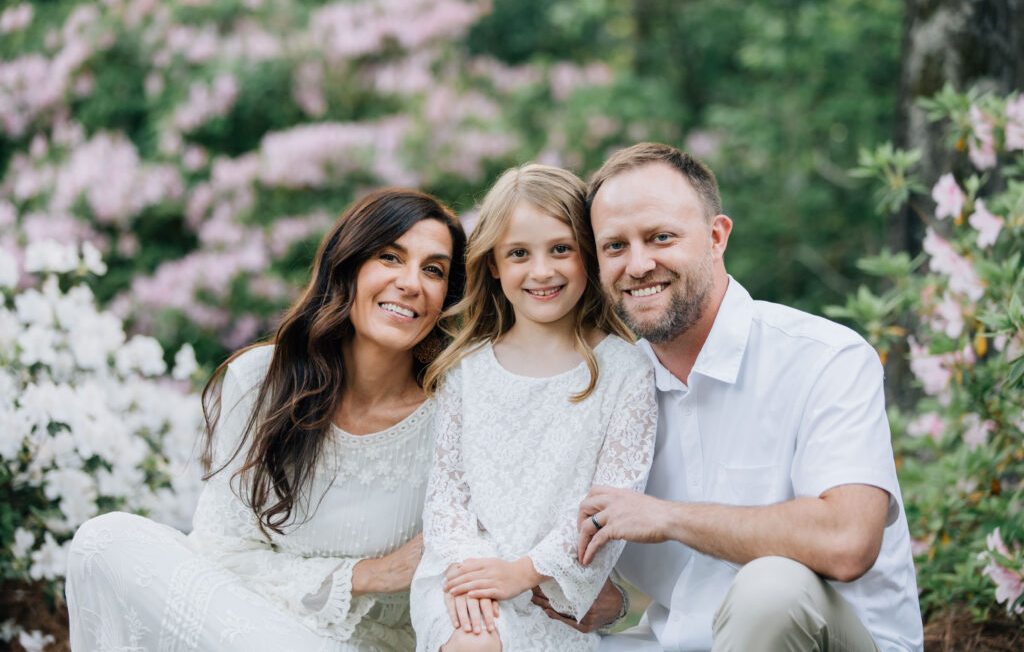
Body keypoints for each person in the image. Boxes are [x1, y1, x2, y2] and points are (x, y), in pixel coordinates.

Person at [546, 142, 923, 651]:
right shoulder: (607, 387)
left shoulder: (825, 357)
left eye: (660, 237)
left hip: (834, 641)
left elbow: (846, 541)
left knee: (771, 589)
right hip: (676, 641)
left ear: (717, 237)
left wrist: (669, 517)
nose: (637, 265)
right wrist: (604, 598)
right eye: (615, 247)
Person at [65, 188, 467, 651]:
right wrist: (368, 575)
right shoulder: (260, 381)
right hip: (239, 623)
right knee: (103, 540)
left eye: (433, 270)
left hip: (363, 644)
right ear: (348, 267)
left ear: (446, 297)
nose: (412, 282)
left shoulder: (455, 409)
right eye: (390, 257)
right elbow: (220, 552)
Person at [408, 164, 659, 652]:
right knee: (475, 644)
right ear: (495, 264)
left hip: (556, 587)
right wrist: (474, 574)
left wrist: (522, 573)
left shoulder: (628, 373)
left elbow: (610, 503)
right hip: (464, 577)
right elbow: (446, 496)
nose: (541, 271)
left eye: (560, 249)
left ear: (587, 255)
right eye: (519, 253)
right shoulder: (466, 371)